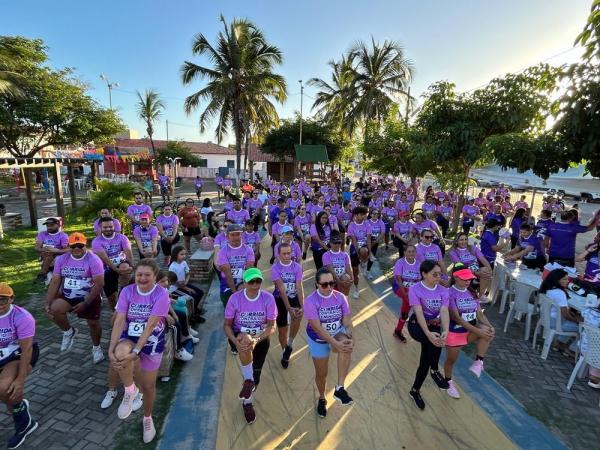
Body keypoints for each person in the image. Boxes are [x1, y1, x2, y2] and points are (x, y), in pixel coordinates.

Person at [108, 259, 170, 443]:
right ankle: (130, 390)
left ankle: (147, 418)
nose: (142, 278)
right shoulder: (127, 291)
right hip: (130, 336)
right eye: (139, 274)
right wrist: (111, 349)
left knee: (149, 386)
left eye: (147, 275)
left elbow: (151, 325)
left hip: (151, 341)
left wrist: (136, 351)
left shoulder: (161, 294)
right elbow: (119, 321)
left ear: (155, 276)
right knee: (120, 355)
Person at [223, 268, 277, 424]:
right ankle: (248, 402)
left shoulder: (268, 298)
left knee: (256, 375)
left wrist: (257, 339)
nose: (255, 285)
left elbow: (271, 326)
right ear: (245, 282)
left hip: (261, 339)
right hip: (240, 337)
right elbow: (226, 325)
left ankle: (248, 388)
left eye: (258, 281)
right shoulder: (234, 299)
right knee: (245, 340)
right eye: (251, 282)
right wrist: (235, 341)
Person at [45, 232, 105, 362]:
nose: (77, 248)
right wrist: (48, 302)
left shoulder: (94, 259)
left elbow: (100, 283)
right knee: (54, 310)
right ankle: (68, 331)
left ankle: (96, 348)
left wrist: (86, 302)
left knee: (93, 324)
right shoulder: (61, 259)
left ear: (85, 245)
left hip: (89, 295)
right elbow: (55, 281)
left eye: (80, 245)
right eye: (73, 246)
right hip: (68, 295)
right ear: (68, 246)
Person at [304, 268, 355, 418]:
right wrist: (335, 343)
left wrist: (350, 334)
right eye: (324, 285)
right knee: (322, 374)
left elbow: (346, 320)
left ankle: (339, 388)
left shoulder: (340, 297)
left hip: (336, 332)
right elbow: (318, 328)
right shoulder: (310, 301)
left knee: (346, 345)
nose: (329, 287)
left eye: (332, 283)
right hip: (318, 339)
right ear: (317, 285)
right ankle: (322, 397)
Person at [443, 267, 495, 399]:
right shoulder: (449, 293)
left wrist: (490, 326)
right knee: (451, 361)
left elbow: (479, 314)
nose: (468, 281)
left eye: (469, 279)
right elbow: (457, 319)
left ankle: (479, 362)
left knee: (488, 332)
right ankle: (448, 382)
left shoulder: (472, 292)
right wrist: (479, 331)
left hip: (469, 332)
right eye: (464, 278)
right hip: (454, 333)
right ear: (456, 277)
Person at [0, 282, 39, 449]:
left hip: (19, 354)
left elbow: (27, 348)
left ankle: (24, 425)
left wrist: (20, 380)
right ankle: (19, 406)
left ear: (11, 299)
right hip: (2, 352)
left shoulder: (22, 317)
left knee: (5, 387)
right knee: (9, 396)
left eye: (3, 300)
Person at [407, 260, 450, 410]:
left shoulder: (444, 290)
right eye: (434, 274)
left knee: (426, 357)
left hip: (434, 325)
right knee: (433, 341)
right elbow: (418, 312)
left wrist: (446, 330)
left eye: (440, 274)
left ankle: (415, 390)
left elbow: (444, 311)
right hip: (417, 325)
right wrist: (427, 333)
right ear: (424, 274)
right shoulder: (414, 289)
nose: (438, 277)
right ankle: (435, 370)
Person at [271, 243, 305, 369]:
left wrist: (302, 305)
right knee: (282, 330)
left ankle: (290, 344)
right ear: (278, 255)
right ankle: (285, 350)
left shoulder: (297, 267)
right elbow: (281, 289)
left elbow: (299, 286)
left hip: (294, 296)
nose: (287, 256)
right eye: (284, 253)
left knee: (297, 317)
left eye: (289, 253)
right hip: (280, 299)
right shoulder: (275, 268)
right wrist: (288, 308)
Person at [91, 217, 134, 308]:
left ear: (114, 226)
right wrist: (115, 270)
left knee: (125, 267)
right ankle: (115, 312)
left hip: (121, 263)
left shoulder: (122, 238)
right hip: (105, 267)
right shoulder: (96, 241)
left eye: (110, 226)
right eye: (105, 227)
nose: (108, 229)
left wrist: (131, 266)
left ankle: (124, 290)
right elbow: (105, 258)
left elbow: (128, 253)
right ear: (100, 228)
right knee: (112, 297)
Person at [539, 269, 581, 356]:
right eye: (564, 279)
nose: (567, 281)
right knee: (582, 328)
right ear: (557, 280)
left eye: (567, 279)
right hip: (555, 323)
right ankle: (571, 350)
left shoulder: (547, 288)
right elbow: (566, 315)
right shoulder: (560, 293)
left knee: (573, 321)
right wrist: (578, 321)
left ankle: (559, 344)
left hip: (545, 318)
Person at [448, 233, 493, 302]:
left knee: (486, 271)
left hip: (476, 269)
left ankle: (480, 295)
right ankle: (476, 283)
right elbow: (460, 266)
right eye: (461, 240)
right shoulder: (453, 252)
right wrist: (476, 273)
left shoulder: (472, 248)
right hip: (463, 271)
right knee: (483, 272)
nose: (464, 242)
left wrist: (489, 268)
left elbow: (482, 259)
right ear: (456, 241)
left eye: (466, 239)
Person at [168, 246, 205, 323]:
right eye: (181, 254)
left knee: (200, 292)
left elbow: (188, 273)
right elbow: (174, 282)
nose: (184, 256)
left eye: (185, 254)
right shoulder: (172, 267)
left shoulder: (184, 263)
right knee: (193, 296)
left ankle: (195, 309)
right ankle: (193, 316)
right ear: (175, 255)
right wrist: (187, 288)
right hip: (176, 288)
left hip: (183, 285)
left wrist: (186, 282)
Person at [392, 245, 421, 342]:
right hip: (400, 288)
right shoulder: (400, 262)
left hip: (412, 290)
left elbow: (421, 280)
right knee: (409, 299)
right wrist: (405, 294)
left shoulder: (419, 264)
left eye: (413, 251)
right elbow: (398, 279)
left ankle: (398, 330)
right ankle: (400, 328)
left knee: (406, 310)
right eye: (409, 251)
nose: (411, 253)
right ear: (404, 253)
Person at [34, 217, 69, 283]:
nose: (49, 227)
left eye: (52, 225)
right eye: (47, 225)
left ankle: (43, 274)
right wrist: (44, 249)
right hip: (44, 253)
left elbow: (66, 249)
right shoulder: (42, 234)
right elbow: (36, 247)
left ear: (58, 225)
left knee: (49, 255)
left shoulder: (63, 235)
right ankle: (46, 272)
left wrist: (55, 250)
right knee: (47, 254)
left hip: (57, 254)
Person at [347, 206, 370, 299]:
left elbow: (368, 239)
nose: (364, 216)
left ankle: (364, 262)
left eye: (365, 214)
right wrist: (358, 255)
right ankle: (356, 289)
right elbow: (354, 241)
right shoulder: (351, 225)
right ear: (356, 215)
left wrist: (369, 253)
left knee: (364, 250)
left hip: (364, 247)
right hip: (355, 247)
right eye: (362, 214)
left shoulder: (367, 225)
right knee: (355, 271)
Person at [322, 232, 353, 296]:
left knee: (347, 278)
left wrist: (351, 279)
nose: (337, 244)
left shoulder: (345, 255)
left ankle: (344, 300)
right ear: (330, 243)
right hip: (331, 279)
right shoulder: (326, 255)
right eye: (335, 243)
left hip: (342, 279)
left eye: (338, 242)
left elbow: (348, 268)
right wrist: (339, 281)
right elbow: (330, 270)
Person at [365, 210, 386, 280]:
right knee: (366, 254)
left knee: (372, 257)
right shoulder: (367, 222)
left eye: (377, 214)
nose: (375, 215)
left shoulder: (380, 222)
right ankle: (363, 260)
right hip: (366, 241)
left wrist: (376, 241)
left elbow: (382, 232)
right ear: (370, 214)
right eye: (373, 213)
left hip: (376, 241)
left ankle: (368, 271)